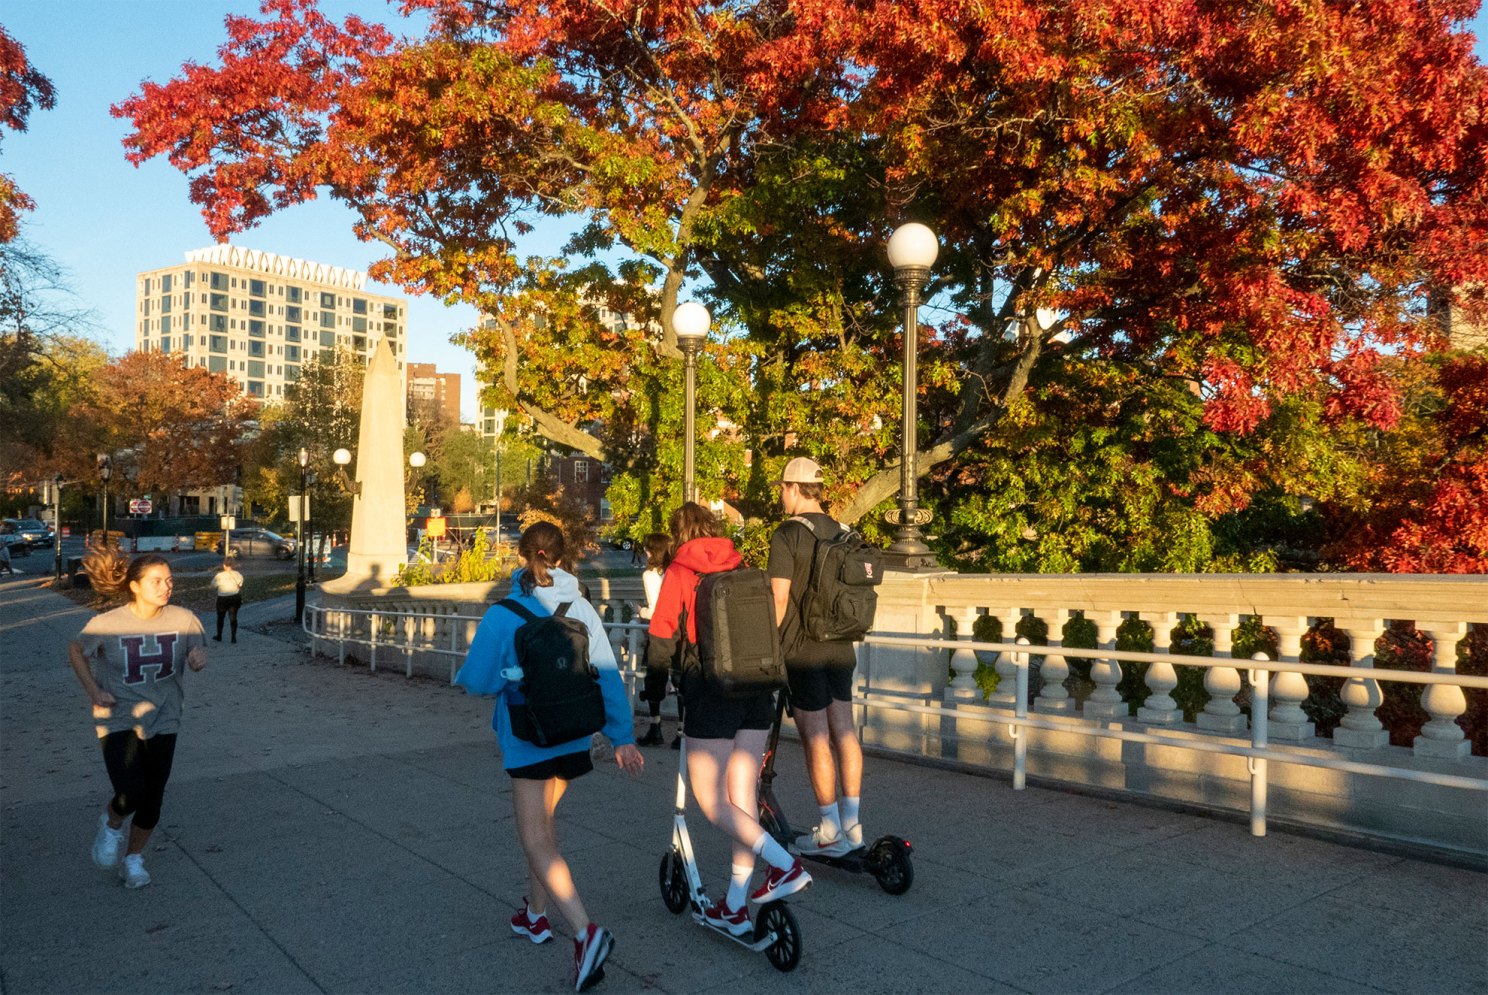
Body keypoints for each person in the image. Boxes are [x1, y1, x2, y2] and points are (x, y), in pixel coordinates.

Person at [456, 521, 644, 993]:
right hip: (574, 737)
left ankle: (586, 932)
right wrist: (622, 737)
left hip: (527, 740)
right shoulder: (580, 607)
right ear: (565, 557)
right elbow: (606, 674)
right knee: (546, 826)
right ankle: (537, 916)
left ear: (523, 555)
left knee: (534, 836)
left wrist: (505, 674)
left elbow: (478, 681)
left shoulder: (505, 613)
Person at [645, 503, 810, 937]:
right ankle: (735, 905)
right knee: (742, 800)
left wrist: (654, 694)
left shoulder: (680, 573)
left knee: (712, 802)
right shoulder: (743, 567)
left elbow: (661, 639)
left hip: (711, 691)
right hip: (756, 691)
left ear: (679, 534)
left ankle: (784, 864)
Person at [67, 547, 208, 889]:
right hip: (118, 717)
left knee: (154, 795)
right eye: (156, 581)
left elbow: (196, 647)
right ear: (135, 586)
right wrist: (93, 691)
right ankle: (112, 822)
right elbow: (76, 650)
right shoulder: (107, 624)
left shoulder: (184, 619)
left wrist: (196, 655)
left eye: (169, 580)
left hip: (165, 716)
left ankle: (133, 860)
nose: (166, 587)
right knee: (131, 791)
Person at [767, 456, 865, 857]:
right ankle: (853, 825)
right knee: (844, 730)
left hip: (802, 648)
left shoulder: (787, 533)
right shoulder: (844, 531)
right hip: (841, 644)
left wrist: (768, 647)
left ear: (793, 488)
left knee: (815, 736)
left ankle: (827, 829)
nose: (781, 497)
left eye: (782, 489)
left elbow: (778, 597)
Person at [635, 532, 671, 747]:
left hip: (659, 632)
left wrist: (641, 612)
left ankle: (655, 727)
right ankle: (680, 732)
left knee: (653, 678)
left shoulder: (650, 574)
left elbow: (656, 609)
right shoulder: (673, 571)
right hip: (679, 632)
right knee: (678, 679)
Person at [210, 558, 244, 643]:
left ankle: (219, 636)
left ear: (224, 565)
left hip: (222, 598)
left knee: (220, 618)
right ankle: (233, 638)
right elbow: (240, 584)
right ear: (233, 565)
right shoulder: (238, 574)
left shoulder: (219, 576)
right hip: (234, 597)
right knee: (233, 618)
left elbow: (213, 586)